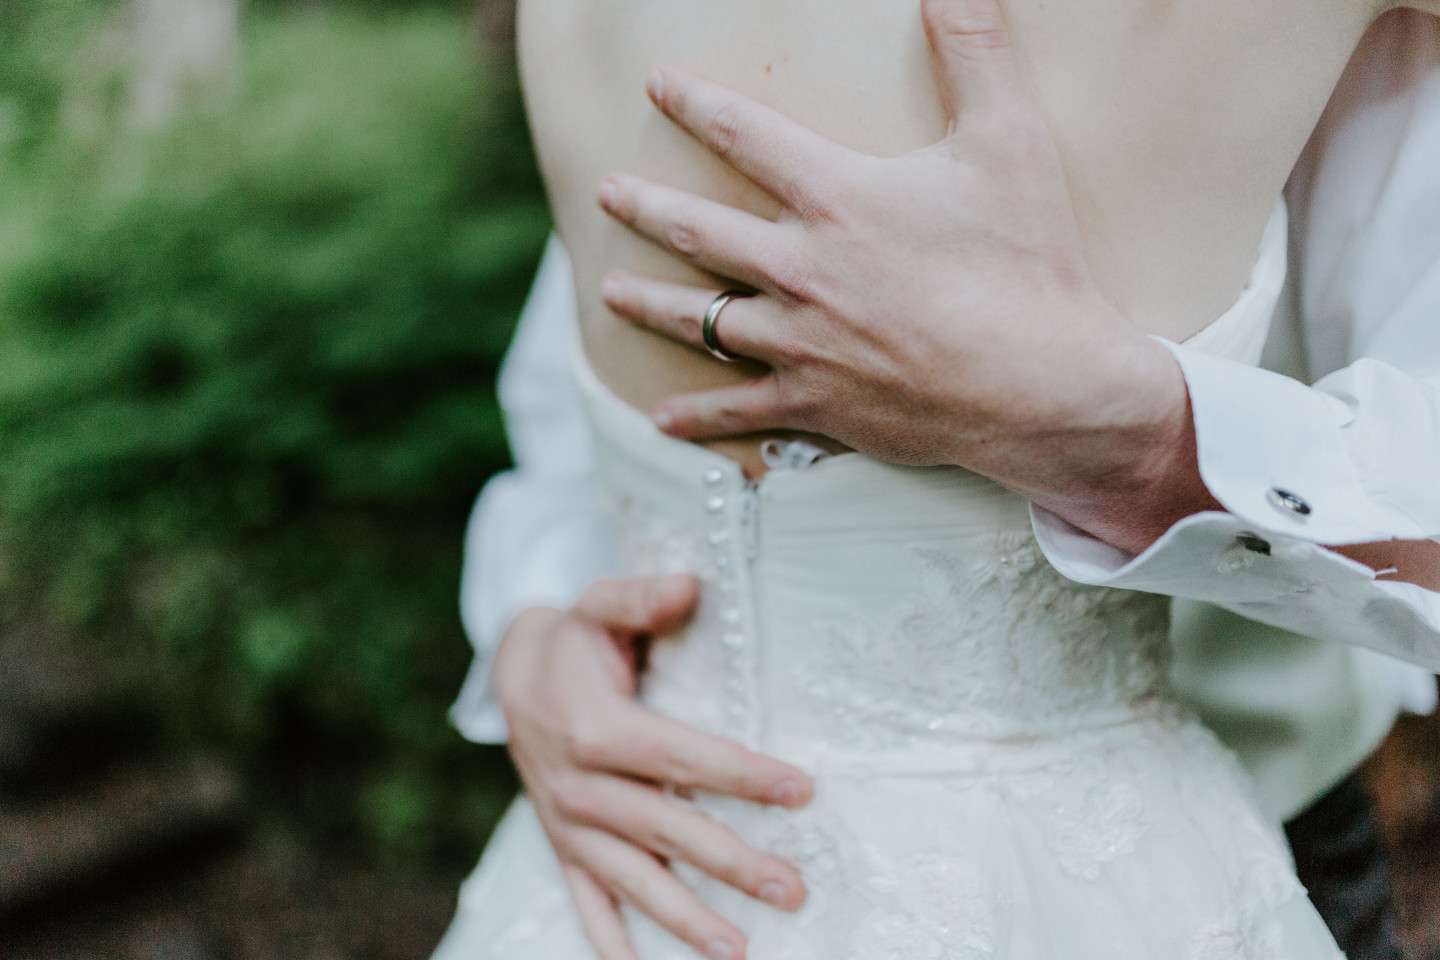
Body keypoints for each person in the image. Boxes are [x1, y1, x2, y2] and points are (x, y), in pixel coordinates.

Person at [436, 2, 1440, 959]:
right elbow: (614, 303)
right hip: (639, 830)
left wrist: (1148, 441)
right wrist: (543, 612)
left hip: (1248, 810)